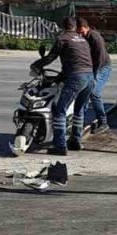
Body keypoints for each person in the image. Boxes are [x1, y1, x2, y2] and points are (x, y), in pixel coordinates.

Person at [30, 16, 94, 155]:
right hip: (90, 77)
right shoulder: (83, 40)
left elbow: (50, 57)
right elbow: (76, 60)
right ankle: (75, 141)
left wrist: (35, 65)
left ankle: (60, 146)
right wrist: (61, 76)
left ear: (62, 27)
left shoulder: (62, 39)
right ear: (75, 27)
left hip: (77, 77)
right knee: (79, 110)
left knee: (60, 110)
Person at [79, 17, 112, 132]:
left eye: (82, 32)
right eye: (78, 33)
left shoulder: (95, 38)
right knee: (83, 93)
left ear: (87, 28)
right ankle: (79, 121)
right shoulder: (79, 38)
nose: (81, 35)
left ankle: (103, 122)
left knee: (93, 92)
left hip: (102, 67)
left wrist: (92, 76)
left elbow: (100, 59)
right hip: (89, 68)